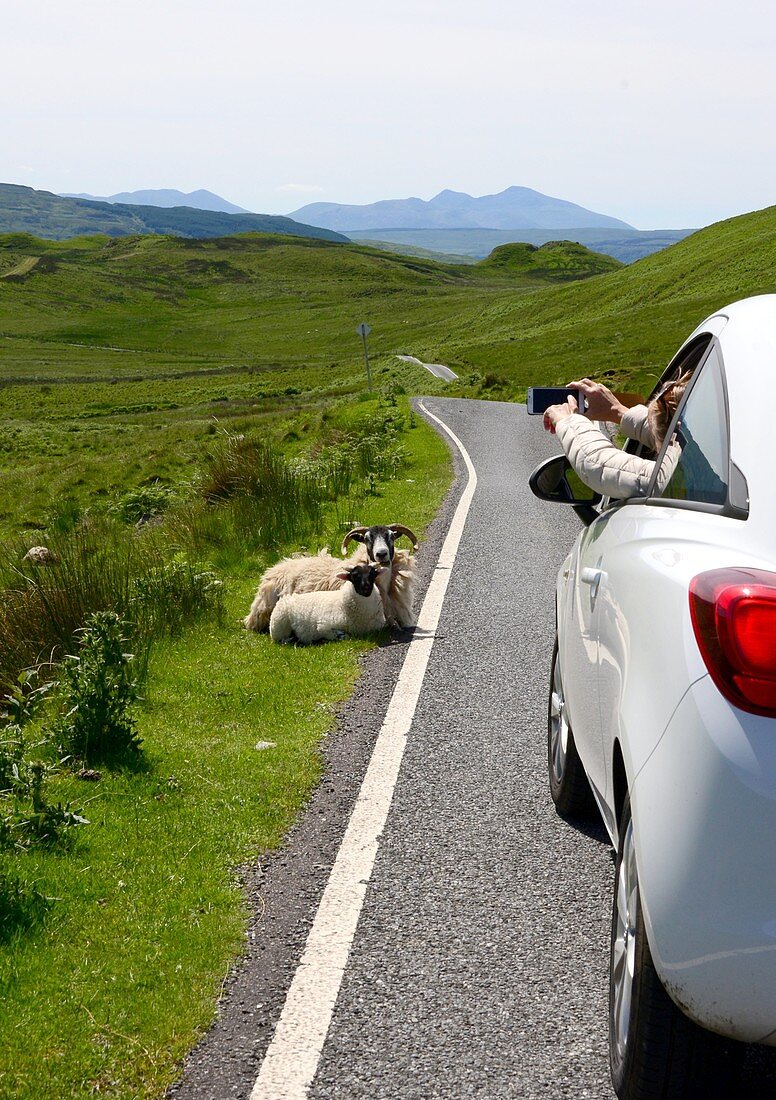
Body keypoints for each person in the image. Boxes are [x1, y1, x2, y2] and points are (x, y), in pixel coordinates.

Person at [542, 374, 691, 499]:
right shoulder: (700, 457)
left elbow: (596, 464)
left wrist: (568, 420)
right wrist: (618, 411)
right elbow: (680, 439)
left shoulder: (671, 480)